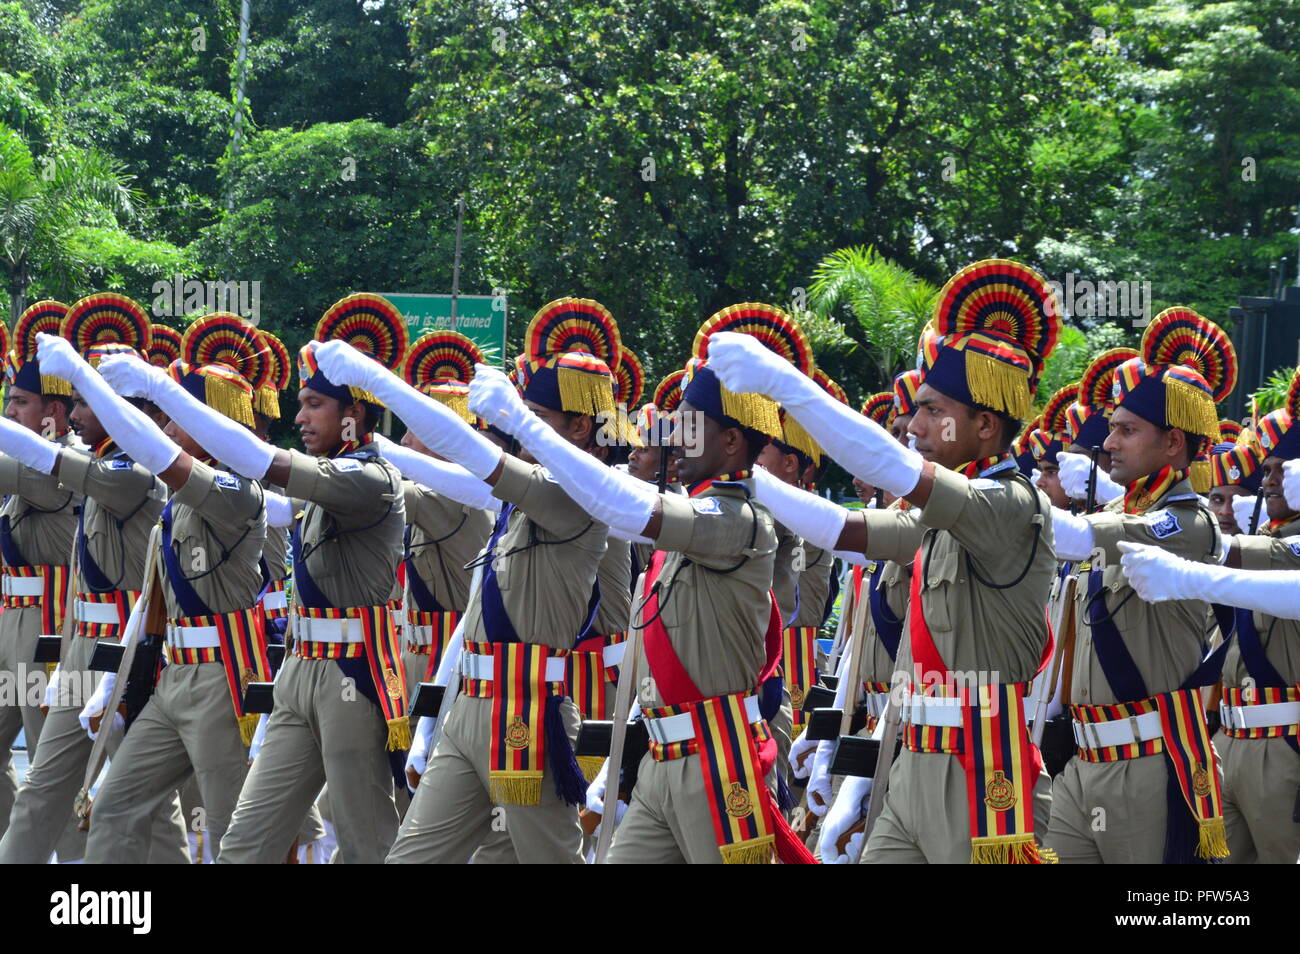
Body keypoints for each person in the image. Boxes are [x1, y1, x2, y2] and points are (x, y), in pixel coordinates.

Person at [707, 259, 1063, 864]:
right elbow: (845, 530)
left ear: (983, 423)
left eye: (930, 411)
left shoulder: (1008, 503)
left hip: (981, 772)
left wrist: (788, 385)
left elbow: (891, 471)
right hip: (911, 756)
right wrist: (744, 478)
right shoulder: (941, 516)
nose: (914, 427)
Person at [469, 303, 816, 864]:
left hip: (717, 759)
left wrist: (523, 422)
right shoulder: (694, 515)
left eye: (690, 426)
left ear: (731, 443)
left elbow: (618, 504)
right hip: (660, 752)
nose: (673, 438)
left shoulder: (739, 520)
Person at [320, 297, 616, 864]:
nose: (518, 431)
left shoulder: (580, 495)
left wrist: (371, 381)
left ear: (581, 426)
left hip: (525, 712)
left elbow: (466, 451)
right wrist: (432, 722)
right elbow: (477, 618)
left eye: (536, 419)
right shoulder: (522, 501)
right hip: (469, 707)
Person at [36, 313, 275, 864]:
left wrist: (85, 372)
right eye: (163, 418)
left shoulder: (236, 491)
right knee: (115, 805)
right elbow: (154, 596)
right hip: (172, 674)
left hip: (225, 681)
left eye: (176, 418)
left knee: (231, 832)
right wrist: (112, 687)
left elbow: (157, 453)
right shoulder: (181, 498)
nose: (165, 427)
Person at [207, 294, 410, 865]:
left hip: (351, 677)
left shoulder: (370, 477)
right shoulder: (322, 481)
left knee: (366, 841)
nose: (299, 418)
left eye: (313, 404)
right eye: (299, 404)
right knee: (246, 841)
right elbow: (251, 496)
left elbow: (266, 465)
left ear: (355, 413)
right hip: (298, 672)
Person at [0, 296, 189, 865]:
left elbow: (56, 463)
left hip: (127, 656)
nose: (78, 415)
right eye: (76, 402)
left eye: (86, 403)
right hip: (79, 644)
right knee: (43, 790)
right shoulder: (94, 464)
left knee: (144, 806)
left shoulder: (134, 475)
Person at [1045, 307, 1235, 863]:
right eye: (1112, 428)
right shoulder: (1116, 511)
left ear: (1173, 443)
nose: (1108, 443)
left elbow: (1084, 537)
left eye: (1127, 430)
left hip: (1150, 763)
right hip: (1080, 762)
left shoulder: (1187, 522)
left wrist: (985, 503)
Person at [1119, 376, 1300, 864]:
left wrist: (1196, 556)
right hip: (1231, 737)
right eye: (1268, 468)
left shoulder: (1287, 545)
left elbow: (1273, 574)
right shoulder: (1274, 535)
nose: (1269, 480)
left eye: (1282, 469)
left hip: (1286, 748)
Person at [0, 301, 83, 859]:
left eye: (20, 402)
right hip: (11, 622)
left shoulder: (62, 462)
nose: (10, 411)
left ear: (54, 409)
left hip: (48, 632)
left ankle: (78, 868)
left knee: (54, 772)